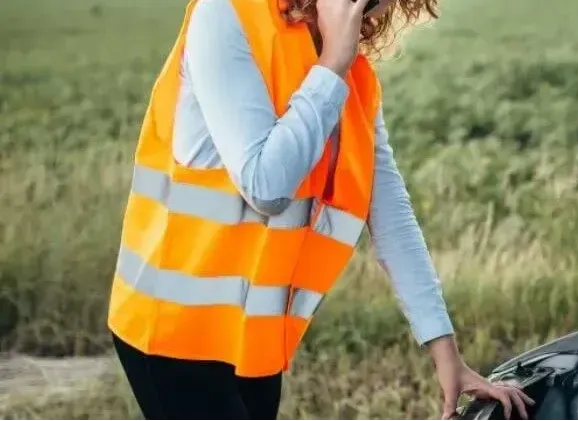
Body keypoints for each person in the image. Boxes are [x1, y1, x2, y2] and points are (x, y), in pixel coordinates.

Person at [105, 0, 532, 420]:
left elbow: (390, 214)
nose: (379, 12)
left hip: (252, 342)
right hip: (173, 330)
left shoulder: (349, 74)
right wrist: (332, 64)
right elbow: (266, 186)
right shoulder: (226, 14)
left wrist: (446, 353)